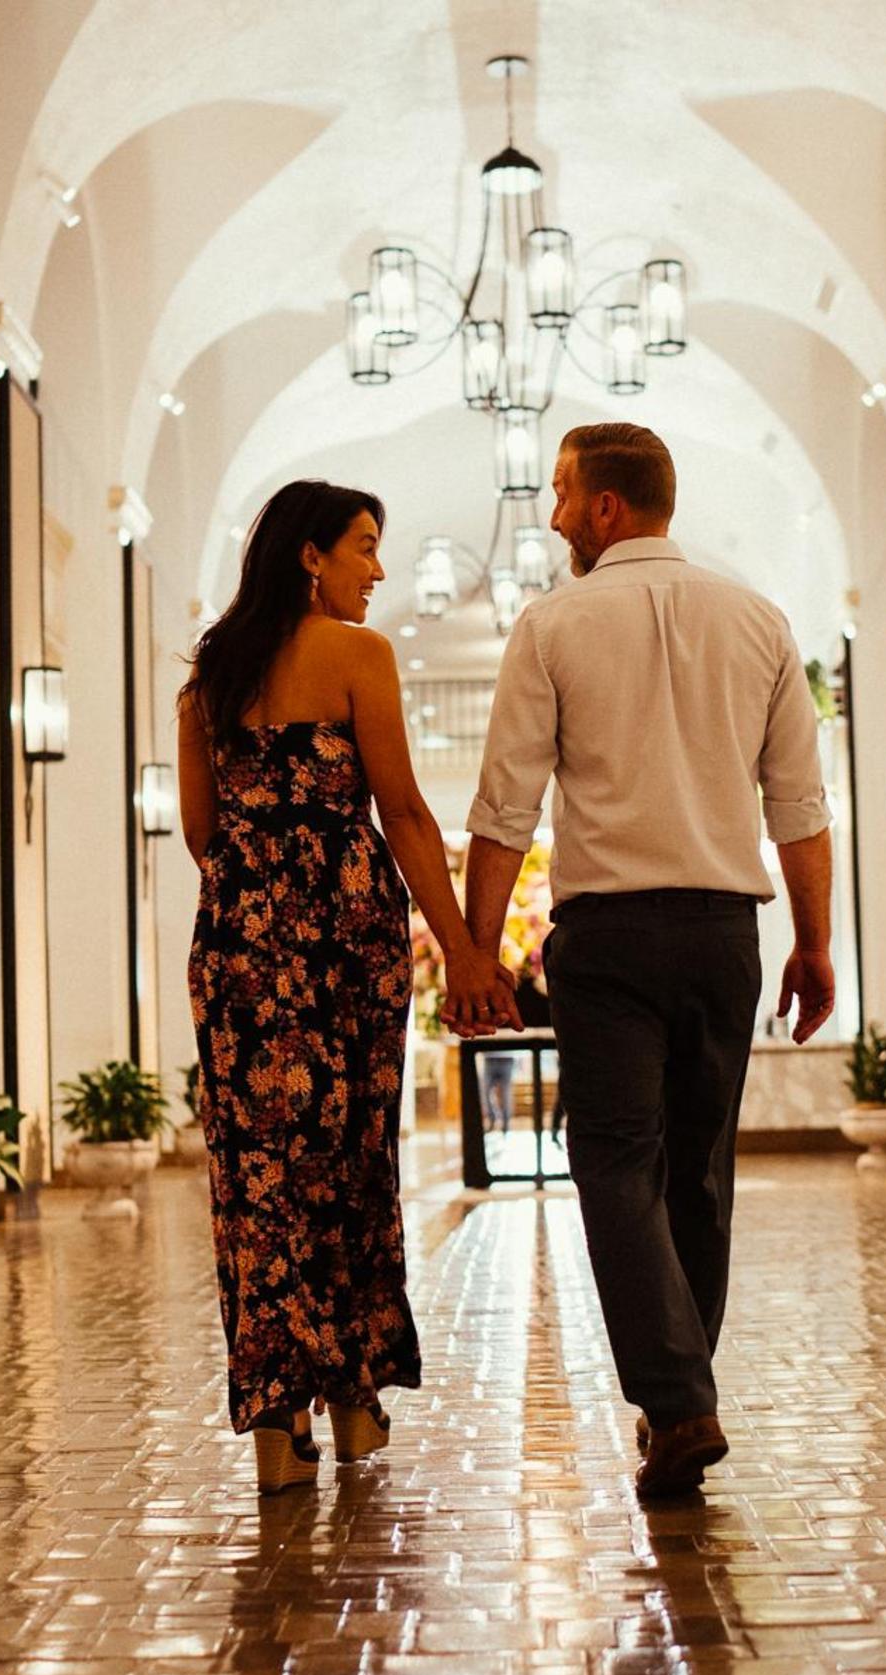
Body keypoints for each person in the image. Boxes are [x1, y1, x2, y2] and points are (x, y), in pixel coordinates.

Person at [454, 423, 836, 1499]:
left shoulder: (554, 624)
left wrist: (478, 951)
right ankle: (682, 1402)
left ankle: (677, 1402)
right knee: (698, 1174)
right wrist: (814, 942)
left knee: (617, 1163)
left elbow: (504, 808)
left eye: (566, 494)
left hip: (612, 939)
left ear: (609, 509)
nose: (556, 513)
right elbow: (799, 805)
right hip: (725, 934)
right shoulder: (758, 621)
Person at [181, 480, 517, 1496]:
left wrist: (260, 903)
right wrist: (463, 951)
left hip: (238, 947)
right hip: (344, 941)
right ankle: (356, 1404)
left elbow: (204, 835)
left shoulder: (209, 679)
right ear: (308, 556)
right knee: (350, 1163)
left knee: (257, 1180)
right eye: (365, 547)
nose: (378, 569)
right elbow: (406, 813)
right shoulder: (358, 657)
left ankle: (277, 1430)